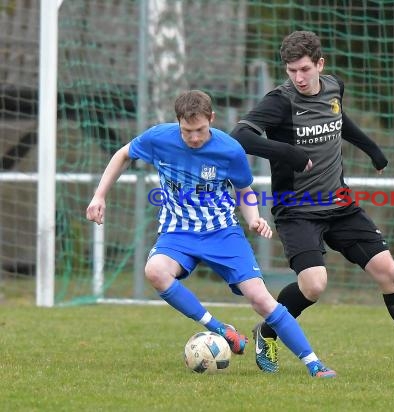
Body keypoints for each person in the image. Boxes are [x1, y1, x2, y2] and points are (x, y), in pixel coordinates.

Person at [230, 31, 394, 380]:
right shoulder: (279, 102)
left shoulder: (333, 87)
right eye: (292, 70)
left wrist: (371, 147)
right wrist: (288, 152)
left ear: (320, 65)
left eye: (305, 69)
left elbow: (340, 120)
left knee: (390, 274)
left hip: (341, 206)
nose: (298, 77)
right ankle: (268, 331)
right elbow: (240, 135)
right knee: (314, 285)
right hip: (296, 210)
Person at [86, 89, 336, 378]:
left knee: (260, 299)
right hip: (177, 232)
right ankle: (219, 329)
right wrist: (99, 196)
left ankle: (314, 363)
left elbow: (244, 190)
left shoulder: (229, 150)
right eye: (187, 131)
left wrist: (254, 218)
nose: (194, 138)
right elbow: (123, 154)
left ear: (212, 120)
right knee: (155, 271)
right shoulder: (158, 138)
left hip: (222, 232)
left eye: (201, 130)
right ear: (178, 122)